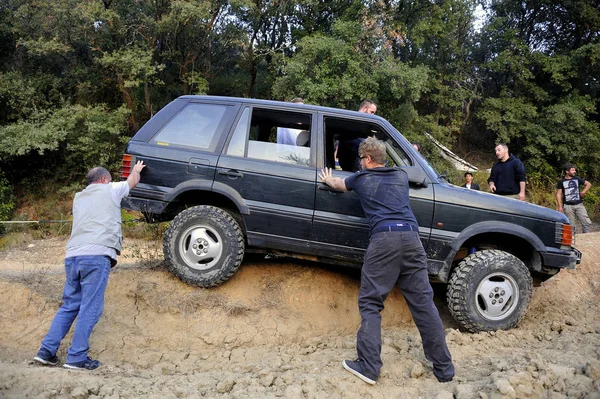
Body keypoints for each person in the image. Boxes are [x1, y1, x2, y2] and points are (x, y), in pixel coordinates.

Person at [318, 137, 454, 385]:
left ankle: (369, 368)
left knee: (371, 303)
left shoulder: (361, 178)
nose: (359, 163)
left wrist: (327, 179)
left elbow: (338, 184)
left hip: (384, 241)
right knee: (424, 305)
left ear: (367, 159)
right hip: (412, 240)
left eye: (361, 159)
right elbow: (417, 174)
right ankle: (445, 370)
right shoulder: (400, 176)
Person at [33, 161, 145, 370]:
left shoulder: (78, 197)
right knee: (90, 307)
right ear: (103, 180)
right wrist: (136, 170)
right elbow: (132, 182)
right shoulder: (110, 189)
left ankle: (46, 352)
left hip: (73, 255)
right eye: (109, 179)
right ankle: (76, 357)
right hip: (97, 255)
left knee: (70, 305)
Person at [337, 100, 378, 171]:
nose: (373, 115)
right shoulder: (352, 124)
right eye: (372, 112)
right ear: (364, 108)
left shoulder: (360, 126)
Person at [556, 163, 592, 233]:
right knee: (570, 226)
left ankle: (586, 238)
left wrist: (583, 192)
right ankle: (572, 241)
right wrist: (560, 206)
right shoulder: (561, 182)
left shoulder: (577, 179)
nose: (574, 171)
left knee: (586, 222)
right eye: (572, 170)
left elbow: (588, 184)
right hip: (568, 206)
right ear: (567, 171)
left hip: (579, 204)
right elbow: (558, 194)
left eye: (574, 170)